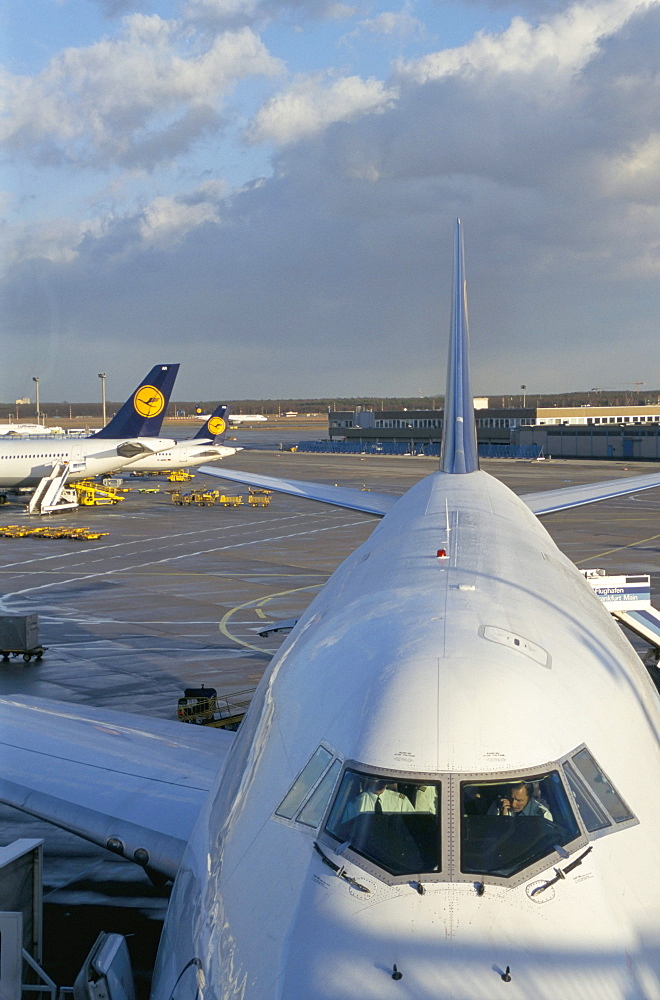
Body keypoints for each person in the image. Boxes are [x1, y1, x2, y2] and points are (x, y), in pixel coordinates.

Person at [343, 778, 414, 821]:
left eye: (383, 778)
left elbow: (412, 826)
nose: (379, 781)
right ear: (368, 779)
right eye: (375, 778)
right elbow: (348, 833)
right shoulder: (355, 804)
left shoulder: (401, 801)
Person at [488, 781, 553, 821]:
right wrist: (503, 818)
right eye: (511, 798)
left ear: (529, 798)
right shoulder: (498, 807)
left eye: (519, 800)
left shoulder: (542, 814)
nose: (513, 804)